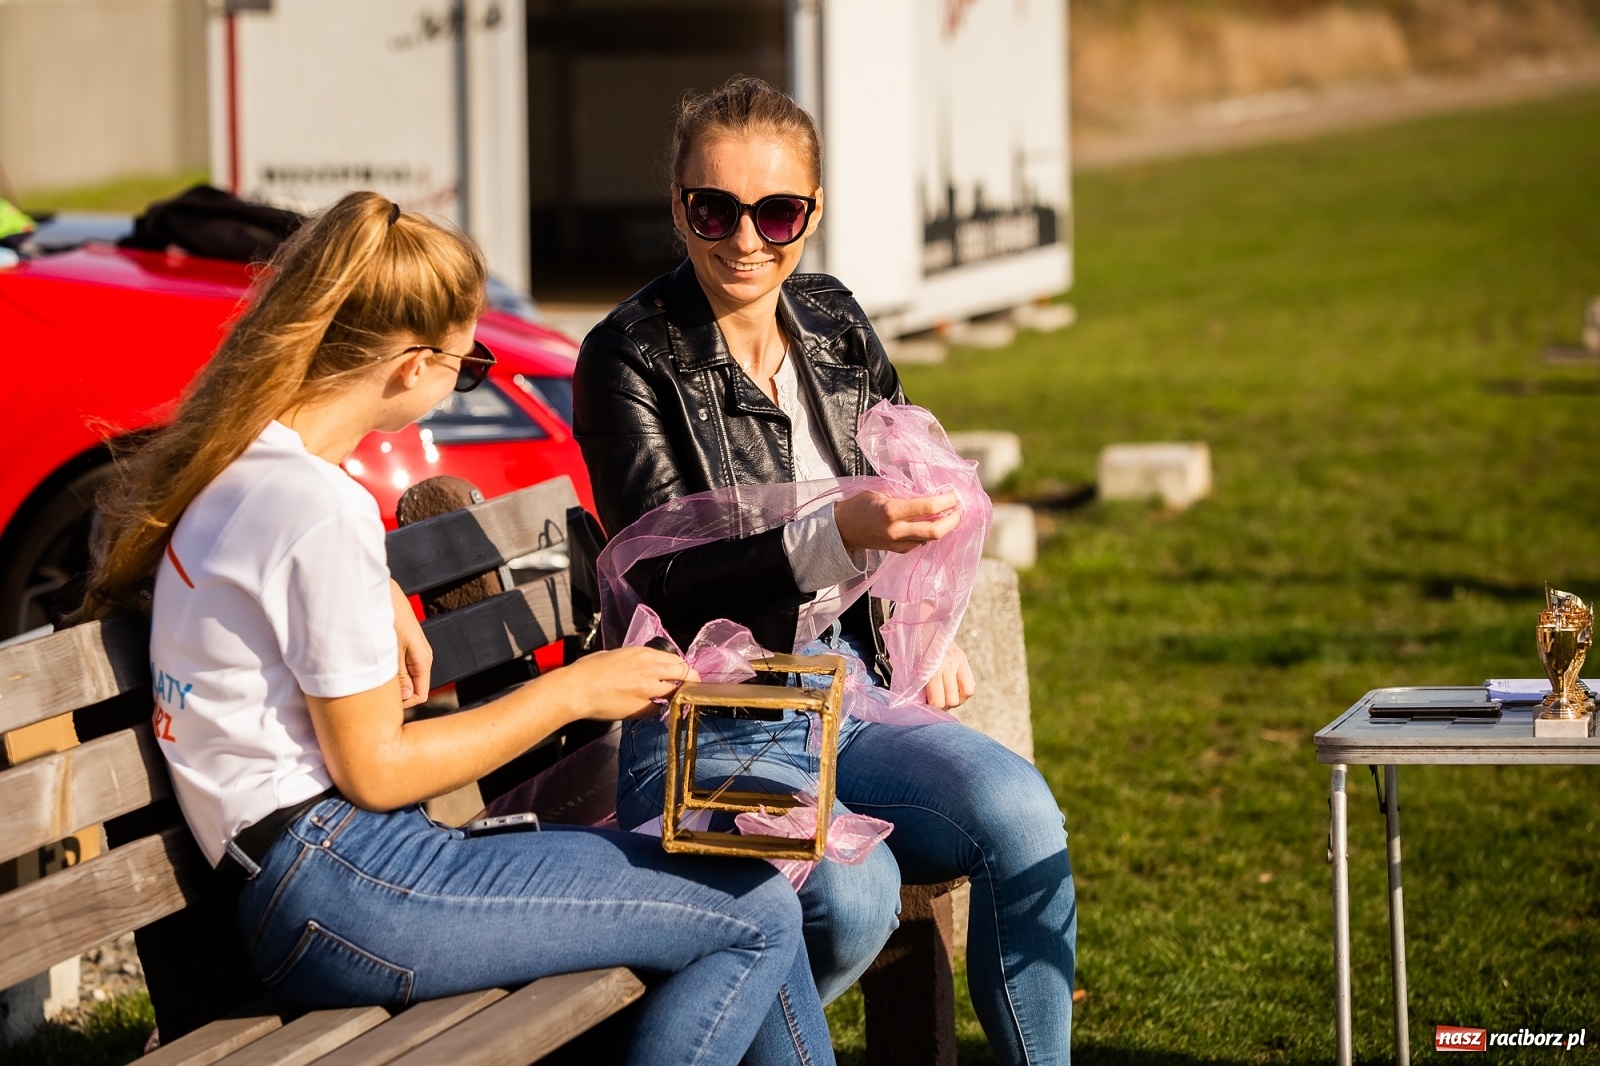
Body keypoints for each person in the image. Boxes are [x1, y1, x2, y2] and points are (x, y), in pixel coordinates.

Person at [78, 191, 835, 1066]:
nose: (460, 382)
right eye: (466, 365)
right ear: (412, 366)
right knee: (754, 914)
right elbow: (378, 770)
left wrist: (376, 586)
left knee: (747, 893)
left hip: (314, 874)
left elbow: (271, 594)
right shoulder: (315, 510)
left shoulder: (248, 465)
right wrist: (574, 692)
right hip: (342, 884)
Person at [573, 76, 1078, 1064]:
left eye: (775, 212)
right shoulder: (626, 355)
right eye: (713, 209)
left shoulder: (833, 317)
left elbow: (906, 470)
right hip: (702, 708)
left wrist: (916, 623)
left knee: (1021, 814)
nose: (744, 239)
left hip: (845, 686)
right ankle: (692, 1024)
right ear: (677, 204)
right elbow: (664, 575)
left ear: (811, 211)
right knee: (853, 896)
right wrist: (837, 533)